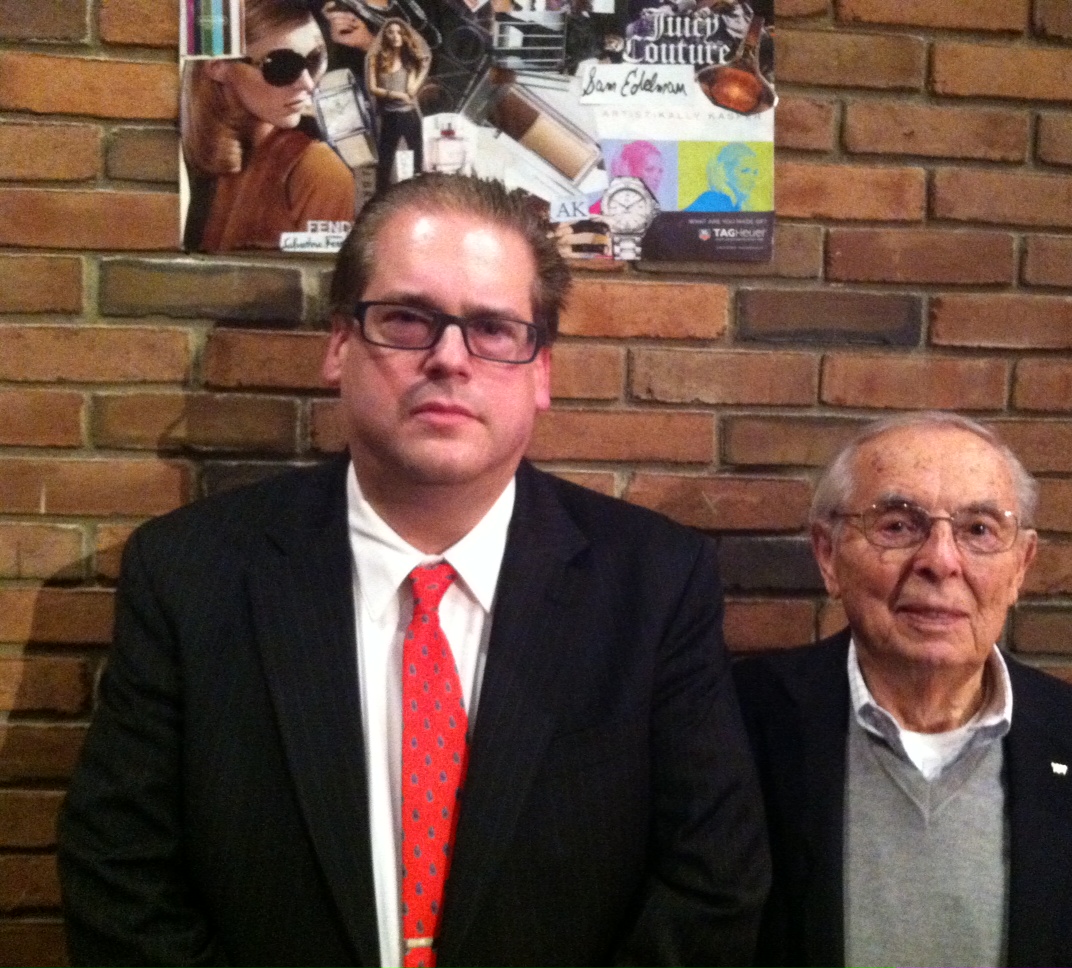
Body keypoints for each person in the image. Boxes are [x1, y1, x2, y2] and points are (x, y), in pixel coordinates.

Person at [58, 173, 770, 968]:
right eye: (407, 319)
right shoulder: (191, 573)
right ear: (339, 345)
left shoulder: (655, 582)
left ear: (541, 372)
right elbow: (119, 873)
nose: (450, 360)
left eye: (495, 329)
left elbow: (712, 879)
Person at [733, 412, 1072, 968]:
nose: (941, 562)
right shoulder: (734, 726)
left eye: (979, 531)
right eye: (897, 525)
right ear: (828, 556)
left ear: (1021, 566)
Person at [181, 0, 356, 252]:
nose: (307, 84)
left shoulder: (317, 169)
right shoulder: (221, 167)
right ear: (217, 66)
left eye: (315, 58)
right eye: (282, 66)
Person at [367, 19, 432, 189]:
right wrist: (396, 95)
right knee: (384, 163)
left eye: (399, 32)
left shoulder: (409, 61)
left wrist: (423, 70)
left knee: (416, 162)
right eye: (390, 32)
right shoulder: (375, 58)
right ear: (385, 35)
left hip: (410, 116)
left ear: (404, 36)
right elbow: (372, 88)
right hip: (390, 117)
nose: (395, 36)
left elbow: (411, 92)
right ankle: (381, 201)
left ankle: (416, 199)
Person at [685, 142, 758, 212]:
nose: (752, 179)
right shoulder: (714, 200)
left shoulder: (737, 205)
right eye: (745, 171)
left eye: (755, 173)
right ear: (725, 172)